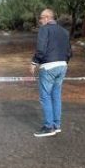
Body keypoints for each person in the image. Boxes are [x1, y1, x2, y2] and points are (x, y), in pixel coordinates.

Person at [31, 8, 72, 137]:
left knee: (45, 96)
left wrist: (34, 62)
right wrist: (64, 62)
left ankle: (49, 127)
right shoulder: (65, 31)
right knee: (56, 96)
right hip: (62, 65)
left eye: (41, 18)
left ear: (48, 18)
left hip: (48, 66)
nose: (40, 21)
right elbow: (69, 51)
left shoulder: (44, 29)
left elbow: (41, 48)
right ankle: (57, 125)